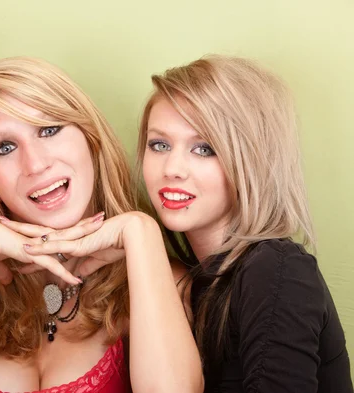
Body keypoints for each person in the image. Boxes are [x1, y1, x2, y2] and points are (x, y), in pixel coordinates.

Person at [0, 57, 203, 393]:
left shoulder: (156, 273)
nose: (36, 164)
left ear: (90, 137)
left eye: (49, 130)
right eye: (4, 147)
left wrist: (141, 234)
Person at [135, 55, 352, 392]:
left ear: (251, 160)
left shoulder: (276, 268)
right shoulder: (187, 281)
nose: (172, 168)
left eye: (204, 148)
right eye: (159, 144)